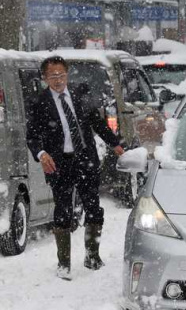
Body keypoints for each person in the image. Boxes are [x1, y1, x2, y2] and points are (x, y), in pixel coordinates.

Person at [26, 56, 125, 280]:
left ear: (67, 75)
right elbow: (32, 136)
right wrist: (41, 154)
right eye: (53, 76)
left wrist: (115, 143)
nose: (58, 80)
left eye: (61, 75)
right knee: (62, 211)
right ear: (45, 78)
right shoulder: (39, 102)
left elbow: (97, 123)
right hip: (59, 164)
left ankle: (92, 255)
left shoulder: (80, 95)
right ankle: (64, 263)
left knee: (93, 206)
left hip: (85, 159)